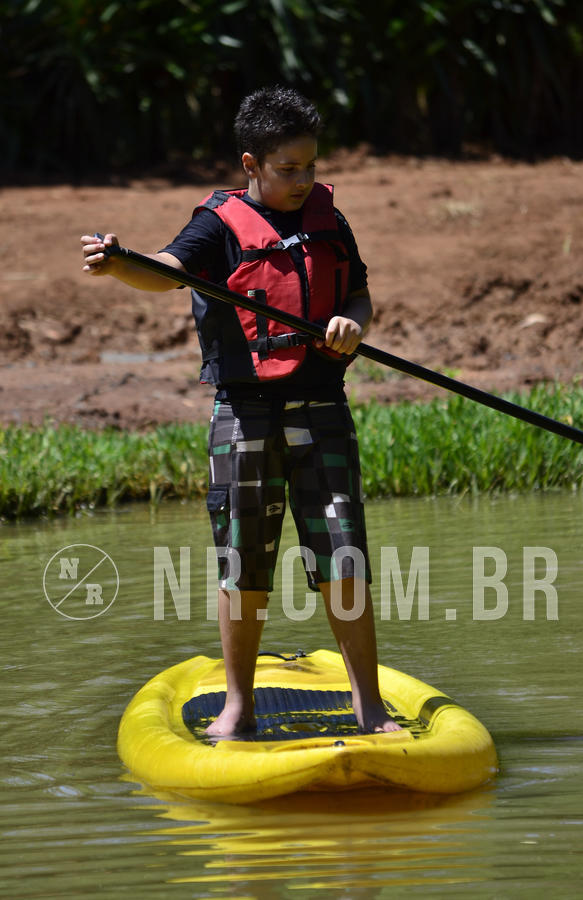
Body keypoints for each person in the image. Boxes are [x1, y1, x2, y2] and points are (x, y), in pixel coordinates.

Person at [81, 85, 401, 736]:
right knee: (242, 563)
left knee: (344, 557)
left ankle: (369, 707)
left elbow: (361, 295)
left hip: (322, 409)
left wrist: (352, 324)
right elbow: (166, 270)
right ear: (251, 165)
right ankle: (238, 706)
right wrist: (119, 264)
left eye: (311, 166)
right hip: (244, 414)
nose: (302, 180)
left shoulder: (328, 220)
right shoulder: (217, 227)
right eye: (288, 169)